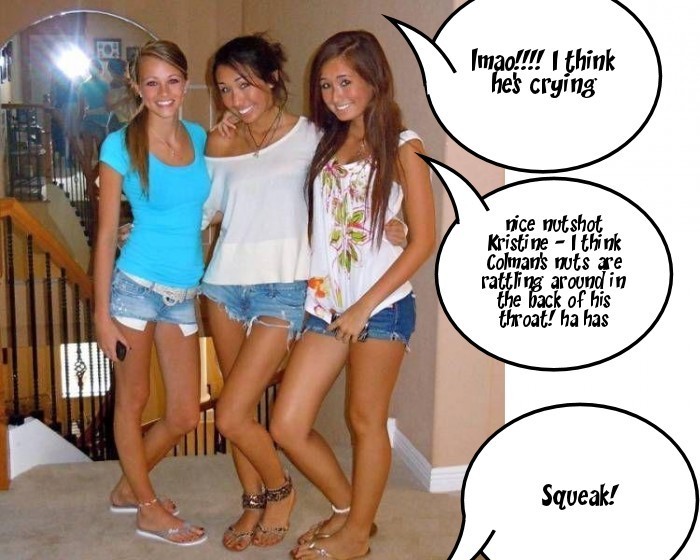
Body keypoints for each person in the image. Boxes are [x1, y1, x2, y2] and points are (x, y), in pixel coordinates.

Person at [270, 30, 436, 560]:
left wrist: (365, 304)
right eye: (326, 85)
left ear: (373, 81)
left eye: (345, 82)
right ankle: (349, 509)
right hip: (326, 305)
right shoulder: (324, 140)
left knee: (366, 421)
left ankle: (357, 535)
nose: (335, 95)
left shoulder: (404, 146)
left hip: (380, 308)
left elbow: (423, 239)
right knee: (287, 424)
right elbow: (268, 131)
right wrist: (232, 124)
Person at [93, 39, 210, 546]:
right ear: (137, 87)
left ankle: (129, 486)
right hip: (135, 289)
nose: (164, 92)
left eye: (172, 81)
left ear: (185, 81)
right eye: (152, 82)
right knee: (133, 400)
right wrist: (101, 315)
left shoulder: (200, 137)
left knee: (184, 412)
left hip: (183, 293)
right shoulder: (119, 145)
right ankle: (146, 507)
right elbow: (105, 236)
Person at [200, 34, 314, 552]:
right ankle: (252, 501)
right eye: (224, 89)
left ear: (271, 79)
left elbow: (355, 181)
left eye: (243, 84)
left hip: (283, 286)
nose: (235, 99)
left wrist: (395, 221)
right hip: (223, 285)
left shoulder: (311, 135)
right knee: (237, 407)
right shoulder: (220, 142)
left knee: (230, 413)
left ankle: (280, 490)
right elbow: (206, 213)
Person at [78, 58, 110, 168]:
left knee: (88, 155)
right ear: (100, 70)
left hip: (87, 120)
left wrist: (79, 125)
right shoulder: (105, 85)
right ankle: (101, 177)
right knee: (102, 155)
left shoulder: (83, 85)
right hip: (102, 121)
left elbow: (81, 109)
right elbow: (108, 105)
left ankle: (88, 178)